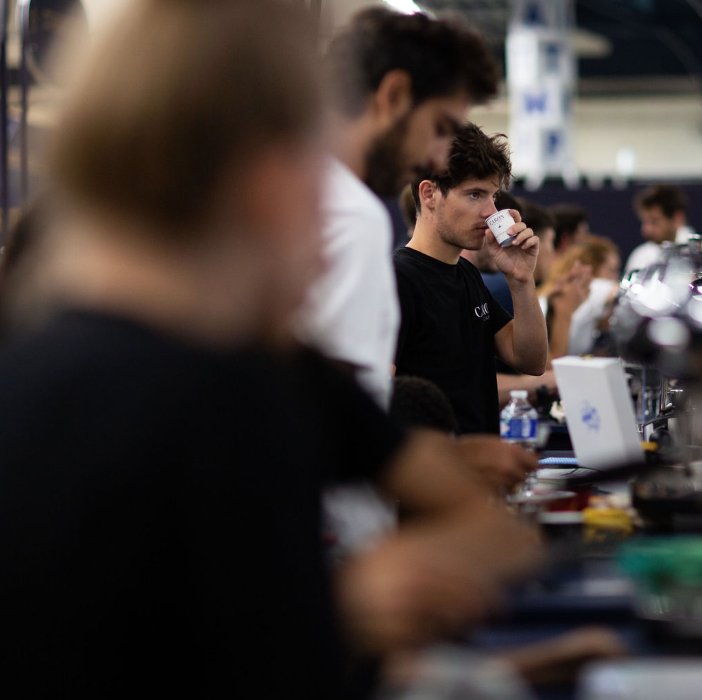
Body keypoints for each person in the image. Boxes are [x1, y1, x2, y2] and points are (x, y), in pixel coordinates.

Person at [0, 2, 537, 697]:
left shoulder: (268, 369)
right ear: (258, 178)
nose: (323, 224)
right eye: (308, 174)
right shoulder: (114, 402)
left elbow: (492, 532)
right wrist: (334, 608)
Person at [301, 7, 498, 410]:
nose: (438, 157)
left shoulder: (294, 196)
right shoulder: (351, 216)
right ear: (393, 96)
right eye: (439, 128)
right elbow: (337, 409)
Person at [396, 123, 548, 434]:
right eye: (475, 194)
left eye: (493, 196)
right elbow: (371, 402)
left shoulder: (466, 274)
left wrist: (521, 279)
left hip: (480, 460)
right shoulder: (398, 280)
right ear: (429, 194)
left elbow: (531, 361)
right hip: (434, 464)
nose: (491, 212)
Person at [624, 184, 696, 275]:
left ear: (678, 218)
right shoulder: (640, 256)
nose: (646, 230)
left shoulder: (701, 256)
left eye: (654, 221)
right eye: (644, 222)